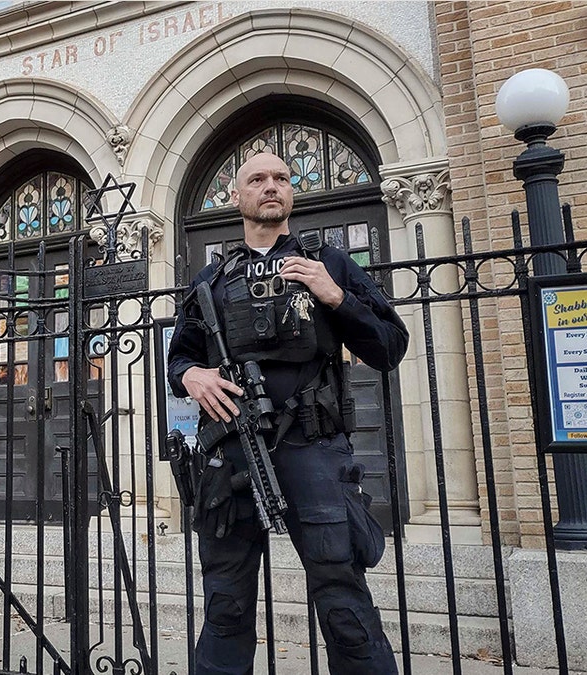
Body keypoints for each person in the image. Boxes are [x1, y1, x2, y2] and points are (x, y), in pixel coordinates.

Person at [167, 152, 408, 674]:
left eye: (281, 178)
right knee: (225, 604)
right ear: (237, 196)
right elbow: (179, 357)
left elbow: (390, 347)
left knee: (342, 597)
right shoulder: (212, 278)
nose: (270, 186)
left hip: (312, 449)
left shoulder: (330, 263)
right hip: (232, 453)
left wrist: (336, 296)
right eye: (257, 179)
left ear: (292, 192)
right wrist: (193, 375)